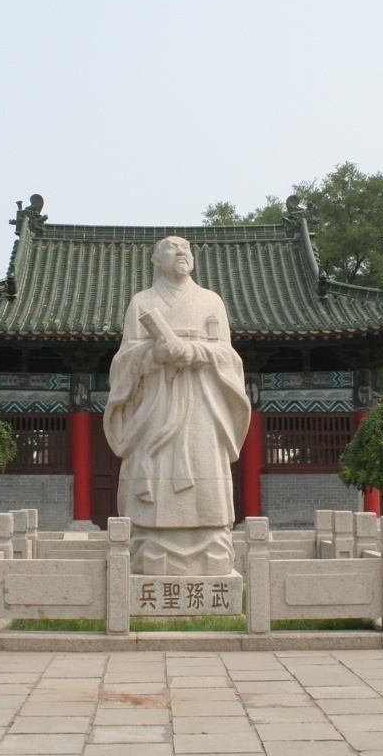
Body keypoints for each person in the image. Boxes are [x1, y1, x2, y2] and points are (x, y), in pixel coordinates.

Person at [104, 236, 251, 576]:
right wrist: (153, 354)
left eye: (186, 248)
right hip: (156, 402)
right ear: (155, 259)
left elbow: (229, 356)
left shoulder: (211, 301)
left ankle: (212, 545)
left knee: (205, 468)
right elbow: (123, 360)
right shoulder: (142, 303)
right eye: (172, 247)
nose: (182, 252)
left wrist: (194, 352)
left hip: (202, 400)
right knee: (153, 469)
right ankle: (148, 546)